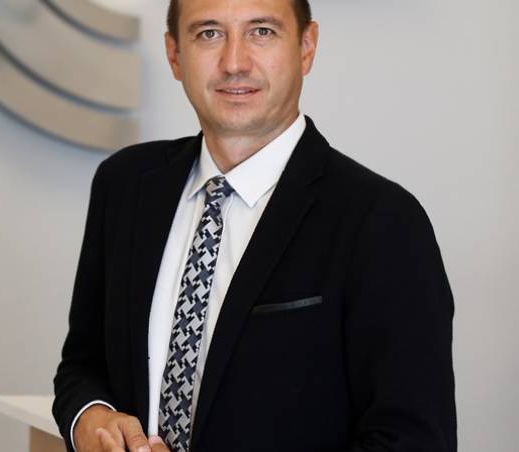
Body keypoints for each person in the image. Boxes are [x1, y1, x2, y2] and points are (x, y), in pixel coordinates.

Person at [53, 0, 457, 451]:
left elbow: (412, 441)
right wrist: (89, 419)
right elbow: (82, 364)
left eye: (261, 31)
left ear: (306, 47)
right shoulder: (125, 185)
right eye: (209, 33)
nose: (234, 62)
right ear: (174, 54)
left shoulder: (382, 221)